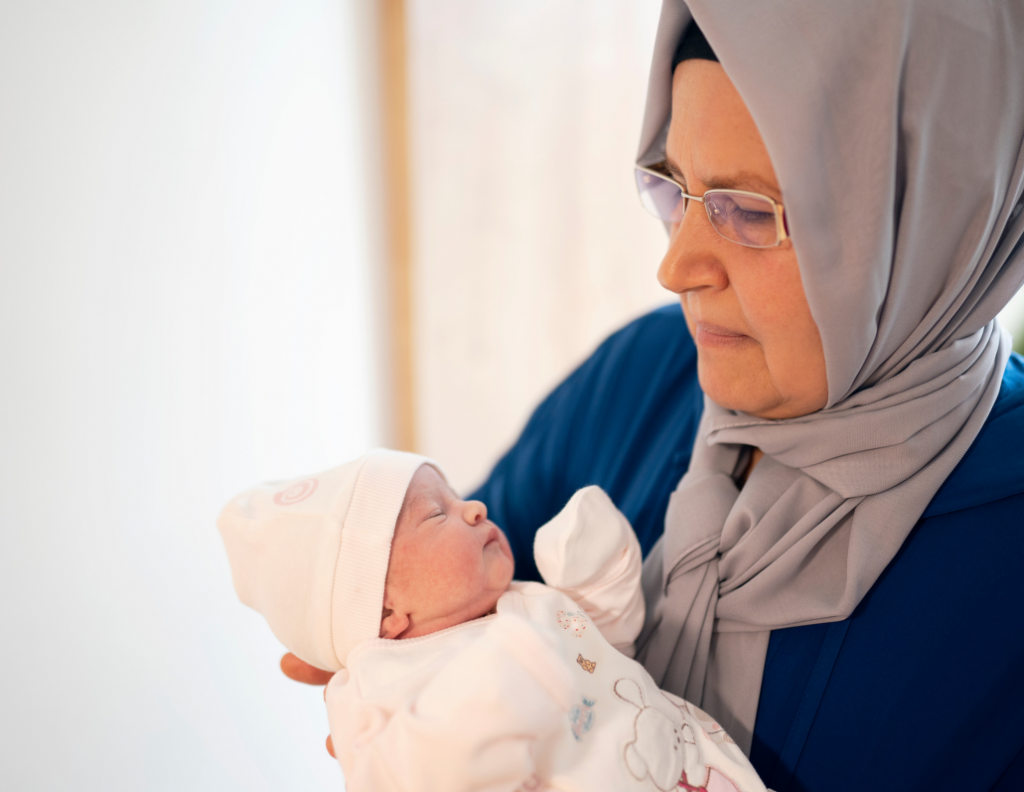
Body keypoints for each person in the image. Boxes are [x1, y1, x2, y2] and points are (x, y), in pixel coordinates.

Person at [285, 2, 1024, 789]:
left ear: (930, 218)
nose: (676, 268)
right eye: (674, 186)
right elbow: (454, 579)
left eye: (747, 211)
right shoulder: (644, 371)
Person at [219, 450, 768, 792]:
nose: (475, 507)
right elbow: (420, 772)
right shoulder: (381, 695)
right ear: (386, 612)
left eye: (458, 496)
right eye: (438, 513)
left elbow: (605, 655)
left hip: (689, 768)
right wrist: (512, 681)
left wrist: (595, 581)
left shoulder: (517, 604)